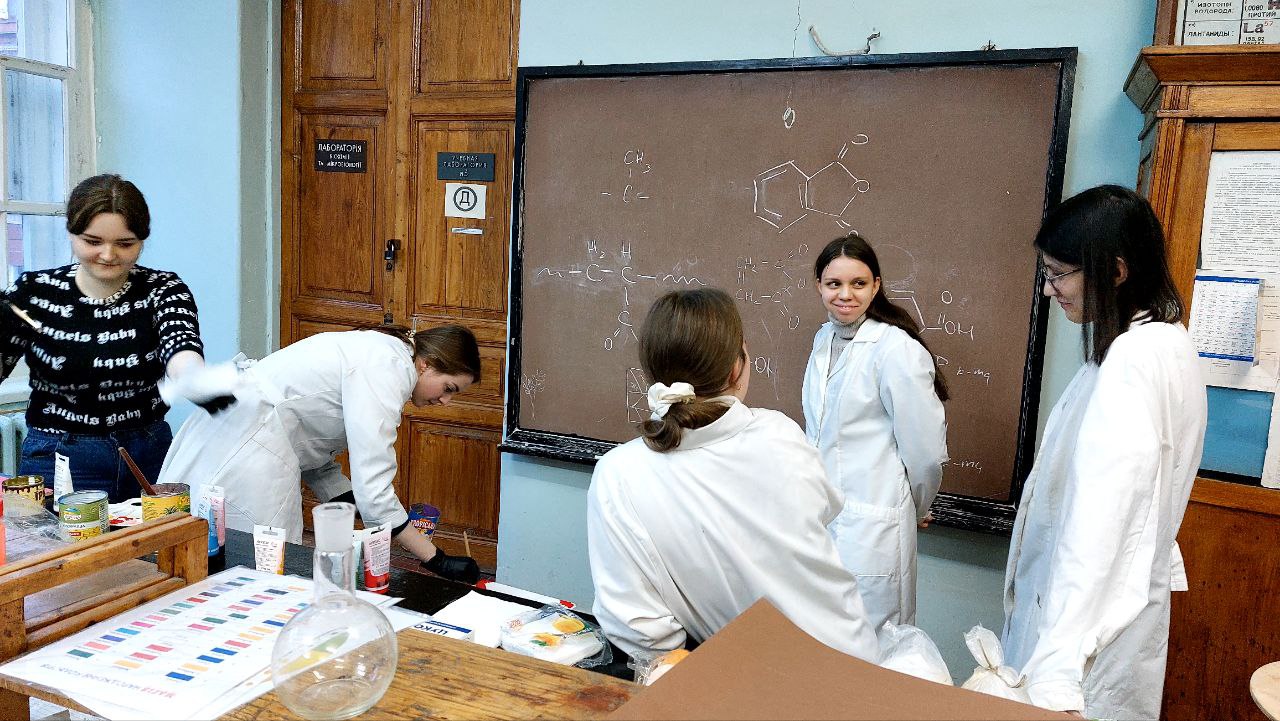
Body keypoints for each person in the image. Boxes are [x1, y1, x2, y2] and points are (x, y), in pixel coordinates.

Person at [1001, 185, 1207, 720]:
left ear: (1115, 272)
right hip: (1112, 622)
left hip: (1086, 642)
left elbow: (1100, 526)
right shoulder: (1162, 341)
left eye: (1059, 274)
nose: (1049, 289)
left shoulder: (1133, 360)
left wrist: (1057, 669)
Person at [587, 287, 879, 661]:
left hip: (744, 677)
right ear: (736, 368)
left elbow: (638, 626)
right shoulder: (780, 435)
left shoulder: (619, 474)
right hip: (852, 659)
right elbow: (826, 509)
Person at [157, 325, 483, 583]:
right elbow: (374, 486)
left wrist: (347, 499)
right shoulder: (389, 366)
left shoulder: (381, 352)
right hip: (251, 443)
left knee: (204, 555)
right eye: (449, 388)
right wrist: (436, 559)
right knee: (251, 570)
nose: (445, 402)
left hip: (243, 432)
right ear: (427, 364)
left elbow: (313, 439)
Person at [0, 174, 234, 503]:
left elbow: (180, 344)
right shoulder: (34, 293)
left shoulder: (163, 289)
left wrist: (194, 378)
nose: (108, 255)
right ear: (71, 233)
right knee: (60, 539)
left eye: (125, 244)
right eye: (92, 241)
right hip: (59, 455)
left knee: (157, 538)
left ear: (142, 240)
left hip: (148, 451)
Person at [801, 233, 949, 632]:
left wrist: (915, 506)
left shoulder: (895, 349)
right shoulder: (823, 340)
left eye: (858, 283)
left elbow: (925, 452)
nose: (845, 294)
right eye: (834, 283)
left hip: (875, 526)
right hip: (824, 522)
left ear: (876, 285)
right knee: (825, 640)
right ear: (818, 285)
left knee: (877, 646)